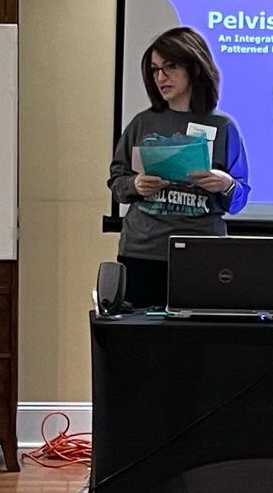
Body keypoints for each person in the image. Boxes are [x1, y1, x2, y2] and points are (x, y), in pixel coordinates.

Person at [105, 26, 251, 310]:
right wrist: (135, 185)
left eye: (170, 67)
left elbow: (239, 199)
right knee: (142, 334)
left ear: (194, 68)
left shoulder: (223, 126)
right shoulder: (142, 123)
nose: (161, 77)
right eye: (155, 70)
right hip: (143, 252)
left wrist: (225, 184)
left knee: (198, 334)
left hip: (203, 253)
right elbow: (117, 183)